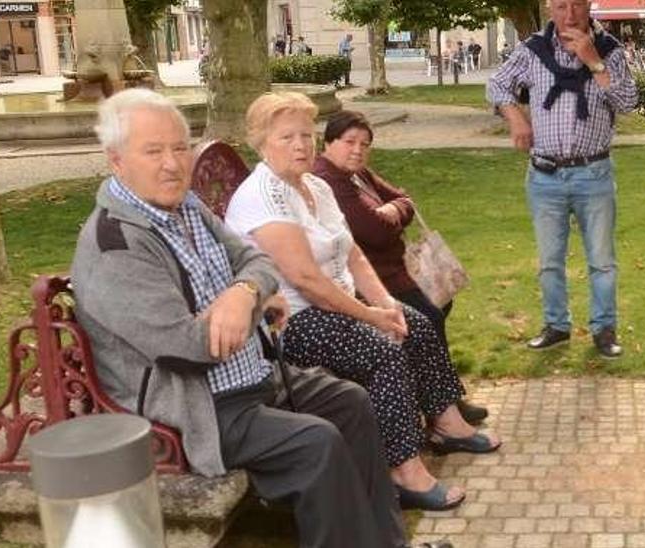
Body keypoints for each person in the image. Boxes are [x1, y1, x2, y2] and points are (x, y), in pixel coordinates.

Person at [70, 88, 409, 547]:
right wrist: (253, 300)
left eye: (179, 147)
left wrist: (242, 291)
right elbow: (189, 348)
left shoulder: (184, 205)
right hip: (196, 405)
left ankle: (387, 542)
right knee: (317, 443)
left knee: (350, 403)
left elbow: (259, 262)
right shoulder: (117, 246)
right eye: (153, 151)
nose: (172, 163)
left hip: (249, 377)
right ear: (117, 161)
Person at [225, 92, 500, 512]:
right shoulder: (261, 195)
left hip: (341, 302)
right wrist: (371, 316)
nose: (301, 145)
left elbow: (352, 253)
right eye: (286, 137)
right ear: (261, 143)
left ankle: (448, 426)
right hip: (295, 321)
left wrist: (386, 303)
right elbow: (306, 280)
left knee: (416, 323)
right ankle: (402, 472)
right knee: (384, 350)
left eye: (306, 134)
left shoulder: (315, 184)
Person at [312, 109, 490, 426]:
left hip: (396, 271)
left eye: (365, 144)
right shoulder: (329, 180)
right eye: (349, 141)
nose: (358, 150)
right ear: (328, 142)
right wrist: (389, 217)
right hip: (372, 281)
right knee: (429, 317)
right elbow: (373, 232)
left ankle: (438, 395)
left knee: (440, 305)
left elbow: (405, 200)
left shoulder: (357, 173)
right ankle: (442, 407)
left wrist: (392, 209)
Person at [486, 0, 639, 359]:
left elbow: (628, 101)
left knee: (601, 260)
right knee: (550, 260)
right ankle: (556, 325)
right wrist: (516, 118)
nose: (569, 16)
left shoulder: (609, 51)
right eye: (560, 6)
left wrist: (592, 60)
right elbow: (497, 85)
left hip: (594, 172)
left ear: (588, 6)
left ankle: (604, 329)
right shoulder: (532, 51)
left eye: (576, 6)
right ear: (548, 9)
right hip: (545, 175)